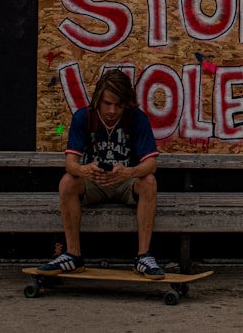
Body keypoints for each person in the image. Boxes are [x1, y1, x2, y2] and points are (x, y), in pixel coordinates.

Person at [36, 68, 164, 278]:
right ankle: (73, 255)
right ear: (98, 100)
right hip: (94, 181)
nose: (112, 110)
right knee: (68, 181)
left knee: (149, 181)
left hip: (125, 183)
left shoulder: (136, 118)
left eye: (118, 105)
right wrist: (84, 170)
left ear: (127, 104)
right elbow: (70, 164)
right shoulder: (84, 117)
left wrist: (128, 172)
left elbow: (151, 165)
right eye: (107, 103)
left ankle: (143, 256)